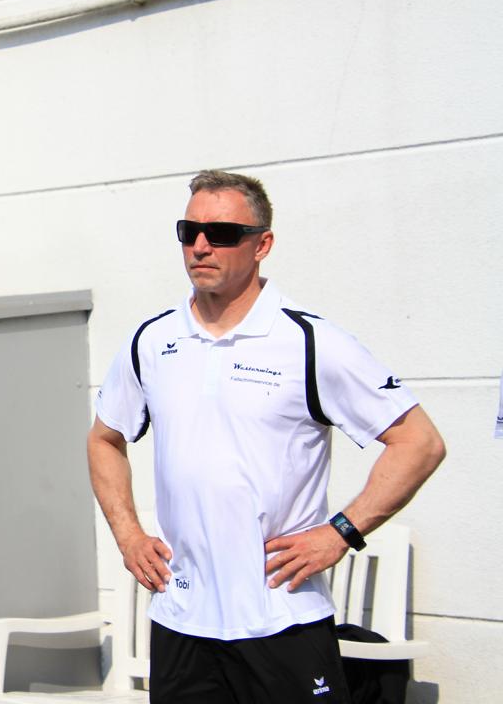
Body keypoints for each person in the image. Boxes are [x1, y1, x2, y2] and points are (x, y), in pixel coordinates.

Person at [88, 170, 445, 703]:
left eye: (222, 233)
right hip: (181, 619)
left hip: (282, 618)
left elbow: (419, 442)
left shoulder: (310, 342)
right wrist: (128, 535)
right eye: (188, 231)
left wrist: (340, 533)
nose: (201, 246)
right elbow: (104, 440)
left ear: (262, 245)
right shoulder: (151, 340)